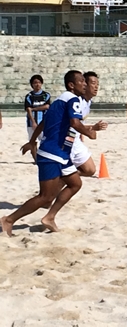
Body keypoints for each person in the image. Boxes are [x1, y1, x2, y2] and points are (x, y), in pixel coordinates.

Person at [1, 71, 97, 237]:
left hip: (61, 154)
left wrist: (32, 142)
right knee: (45, 197)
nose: (85, 84)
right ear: (71, 85)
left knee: (76, 184)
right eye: (82, 81)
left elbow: (45, 122)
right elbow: (75, 123)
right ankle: (8, 220)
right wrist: (89, 132)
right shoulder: (72, 99)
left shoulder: (59, 100)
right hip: (52, 154)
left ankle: (49, 217)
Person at [71, 71, 108, 176]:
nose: (96, 87)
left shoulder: (88, 101)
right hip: (66, 140)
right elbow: (73, 124)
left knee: (90, 170)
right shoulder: (76, 101)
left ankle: (65, 174)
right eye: (93, 83)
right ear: (85, 85)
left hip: (76, 139)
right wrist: (92, 128)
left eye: (97, 84)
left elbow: (80, 122)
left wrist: (82, 133)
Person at [24, 74, 51, 152]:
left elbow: (47, 106)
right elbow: (28, 109)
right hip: (32, 122)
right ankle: (35, 159)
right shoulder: (29, 96)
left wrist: (34, 109)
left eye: (39, 82)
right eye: (35, 83)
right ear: (32, 84)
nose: (37, 84)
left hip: (43, 122)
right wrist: (33, 122)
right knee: (32, 141)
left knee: (45, 140)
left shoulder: (46, 95)